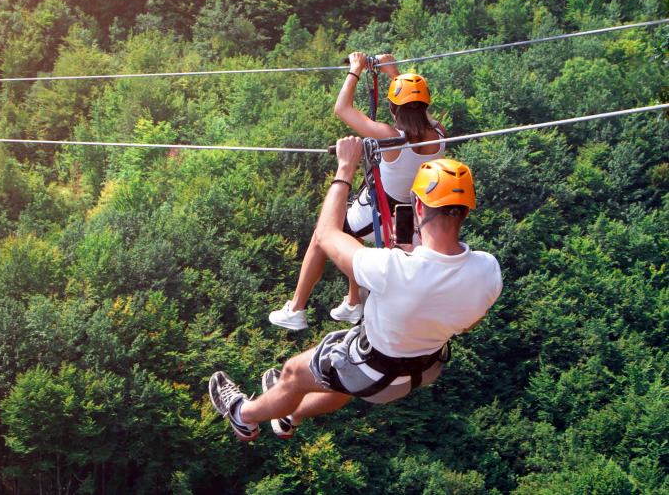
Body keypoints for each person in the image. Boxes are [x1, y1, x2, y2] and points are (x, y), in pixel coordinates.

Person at [209, 137, 502, 441]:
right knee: (340, 380)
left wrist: (345, 168)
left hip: (372, 370)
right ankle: (290, 415)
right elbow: (469, 322)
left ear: (417, 204)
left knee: (293, 374)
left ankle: (243, 416)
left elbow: (326, 234)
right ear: (466, 211)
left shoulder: (393, 268)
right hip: (422, 370)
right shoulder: (488, 271)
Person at [269, 51, 447, 330]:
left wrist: (355, 69)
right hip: (409, 213)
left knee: (322, 234)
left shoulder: (390, 137)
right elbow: (416, 108)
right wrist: (393, 73)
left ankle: (296, 308)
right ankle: (354, 302)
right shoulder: (440, 134)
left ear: (393, 108)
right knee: (354, 234)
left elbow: (342, 109)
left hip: (382, 208)